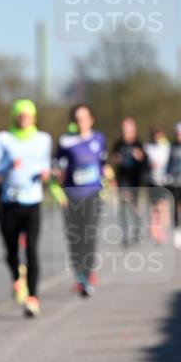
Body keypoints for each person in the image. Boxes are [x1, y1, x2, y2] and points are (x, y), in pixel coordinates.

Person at [0, 98, 55, 317]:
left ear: (33, 117)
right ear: (14, 116)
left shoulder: (43, 139)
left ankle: (32, 297)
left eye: (27, 114)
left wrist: (46, 174)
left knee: (32, 250)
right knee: (11, 252)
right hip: (8, 202)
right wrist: (6, 167)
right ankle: (17, 276)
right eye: (19, 114)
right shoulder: (3, 139)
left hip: (32, 201)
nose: (23, 118)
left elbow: (46, 164)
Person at [53, 103, 111, 297]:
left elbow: (103, 162)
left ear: (91, 119)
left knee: (89, 235)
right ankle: (79, 275)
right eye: (77, 119)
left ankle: (88, 275)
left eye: (84, 118)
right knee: (74, 238)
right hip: (71, 195)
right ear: (73, 121)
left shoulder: (99, 138)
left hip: (93, 193)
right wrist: (57, 172)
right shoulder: (65, 141)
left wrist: (107, 172)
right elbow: (56, 163)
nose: (81, 122)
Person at [111, 117, 146, 246]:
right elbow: (113, 158)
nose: (126, 133)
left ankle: (137, 231)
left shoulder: (139, 144)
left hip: (135, 180)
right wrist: (116, 159)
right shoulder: (118, 144)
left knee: (134, 207)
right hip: (122, 180)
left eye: (129, 130)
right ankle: (125, 234)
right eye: (124, 130)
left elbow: (145, 163)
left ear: (134, 131)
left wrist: (140, 157)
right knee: (124, 206)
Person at [143, 127, 171, 245]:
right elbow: (144, 162)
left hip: (163, 181)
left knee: (161, 206)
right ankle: (154, 227)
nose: (157, 138)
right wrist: (149, 164)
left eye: (159, 136)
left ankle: (160, 230)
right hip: (151, 180)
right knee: (154, 206)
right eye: (155, 136)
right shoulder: (147, 147)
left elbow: (170, 161)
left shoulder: (167, 147)